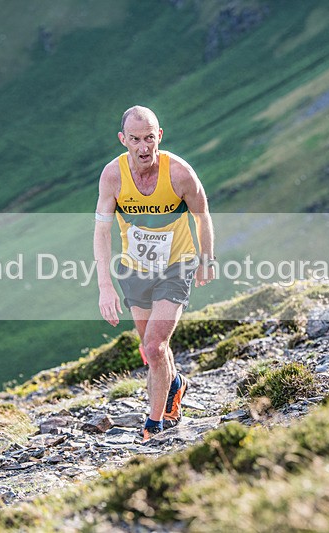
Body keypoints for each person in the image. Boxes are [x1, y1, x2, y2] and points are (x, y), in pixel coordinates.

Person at [94, 105, 215, 443]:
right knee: (150, 350)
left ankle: (154, 424)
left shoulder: (179, 173)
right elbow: (101, 232)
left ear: (159, 135)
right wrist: (106, 286)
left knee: (155, 345)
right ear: (123, 140)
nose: (144, 147)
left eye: (150, 138)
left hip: (177, 266)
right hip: (134, 270)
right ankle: (175, 385)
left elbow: (202, 215)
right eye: (135, 139)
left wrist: (206, 258)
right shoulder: (112, 177)